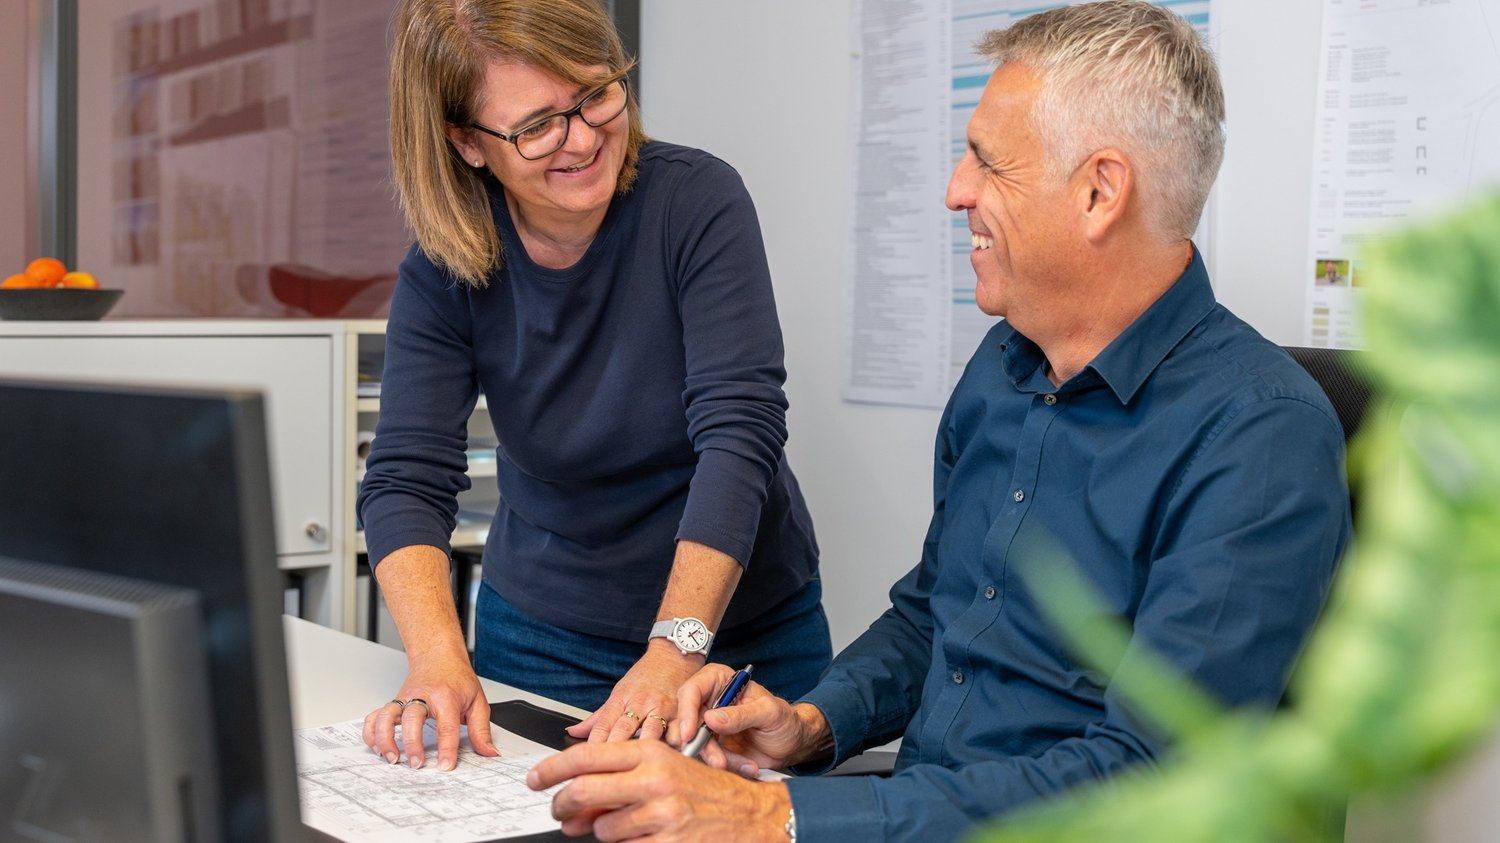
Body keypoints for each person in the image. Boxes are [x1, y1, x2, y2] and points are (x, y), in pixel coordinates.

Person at [527, 2, 1352, 840]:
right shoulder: (1002, 368)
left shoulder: (1261, 436)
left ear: (1101, 191)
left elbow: (1146, 775)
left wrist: (775, 813)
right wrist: (812, 725)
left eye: (991, 165)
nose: (956, 191)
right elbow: (933, 613)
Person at [357, 0, 830, 772]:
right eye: (537, 124)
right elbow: (406, 476)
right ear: (467, 143)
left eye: (595, 95)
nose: (582, 139)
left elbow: (739, 435)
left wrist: (677, 643)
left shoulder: (695, 202)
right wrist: (438, 657)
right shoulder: (445, 267)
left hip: (741, 629)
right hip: (543, 631)